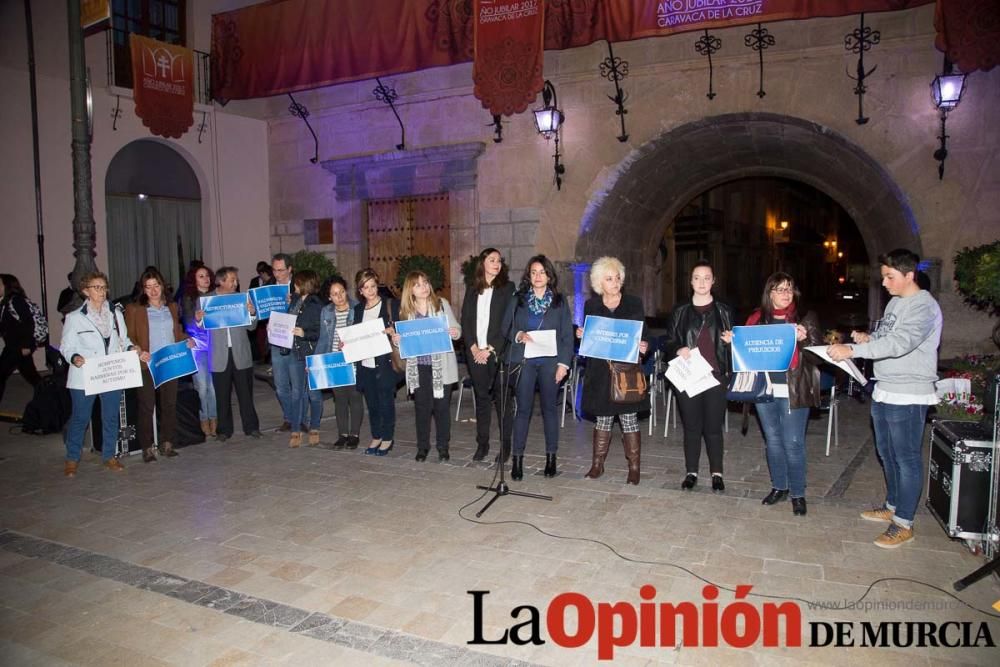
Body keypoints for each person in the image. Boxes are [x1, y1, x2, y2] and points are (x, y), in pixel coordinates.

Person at [828, 249, 942, 549]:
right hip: (886, 388)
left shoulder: (924, 307)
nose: (885, 283)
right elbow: (886, 337)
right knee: (886, 453)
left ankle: (904, 522)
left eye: (890, 277)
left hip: (909, 392)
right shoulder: (895, 303)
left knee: (906, 458)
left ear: (909, 275)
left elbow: (901, 342)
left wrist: (853, 350)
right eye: (883, 277)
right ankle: (892, 505)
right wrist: (870, 339)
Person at [727, 272, 821, 516]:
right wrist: (733, 343)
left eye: (789, 288)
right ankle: (779, 486)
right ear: (769, 293)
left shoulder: (804, 318)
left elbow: (818, 354)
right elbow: (746, 353)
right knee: (773, 441)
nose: (785, 293)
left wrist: (805, 339)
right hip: (764, 388)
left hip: (793, 389)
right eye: (779, 289)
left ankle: (798, 493)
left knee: (793, 442)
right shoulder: (757, 319)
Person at [662, 261, 736, 492]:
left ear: (714, 281)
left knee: (713, 428)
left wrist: (732, 341)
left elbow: (739, 343)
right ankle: (691, 472)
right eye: (697, 277)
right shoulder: (680, 310)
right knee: (692, 427)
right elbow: (669, 341)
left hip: (715, 377)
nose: (702, 282)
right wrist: (677, 349)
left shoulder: (724, 310)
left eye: (707, 277)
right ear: (691, 281)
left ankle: (717, 473)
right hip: (689, 376)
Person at [578, 257, 650, 485]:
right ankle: (597, 465)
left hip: (626, 371)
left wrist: (644, 346)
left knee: (629, 419)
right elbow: (589, 336)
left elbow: (643, 333)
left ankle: (634, 467)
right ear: (599, 282)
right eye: (609, 278)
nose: (615, 282)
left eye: (618, 277)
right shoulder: (591, 306)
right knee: (603, 420)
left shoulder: (634, 303)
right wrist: (582, 335)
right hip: (600, 372)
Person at [504, 255, 574, 480]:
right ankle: (517, 460)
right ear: (528, 275)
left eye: (542, 272)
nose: (537, 276)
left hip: (551, 363)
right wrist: (518, 334)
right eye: (533, 272)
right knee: (522, 410)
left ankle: (551, 458)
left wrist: (564, 364)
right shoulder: (519, 300)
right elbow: (506, 327)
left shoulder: (559, 301)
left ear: (549, 275)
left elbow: (566, 336)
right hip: (525, 361)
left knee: (549, 410)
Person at [59, 271, 135, 476]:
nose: (102, 292)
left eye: (104, 287)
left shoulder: (116, 314)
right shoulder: (74, 318)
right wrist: (74, 358)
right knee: (80, 418)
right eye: (97, 287)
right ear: (86, 291)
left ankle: (109, 455)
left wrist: (130, 349)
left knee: (110, 416)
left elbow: (124, 340)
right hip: (85, 375)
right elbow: (66, 346)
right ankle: (72, 459)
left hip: (110, 373)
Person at [392, 271, 462, 462]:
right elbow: (403, 340)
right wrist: (397, 340)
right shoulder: (406, 312)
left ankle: (443, 446)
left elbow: (457, 330)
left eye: (425, 282)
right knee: (422, 409)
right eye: (418, 284)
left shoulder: (441, 304)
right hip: (419, 367)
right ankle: (422, 447)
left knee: (442, 409)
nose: (423, 287)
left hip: (442, 366)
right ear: (410, 290)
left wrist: (455, 332)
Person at [125, 268, 191, 462]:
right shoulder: (135, 309)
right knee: (147, 405)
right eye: (148, 287)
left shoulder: (171, 306)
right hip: (147, 363)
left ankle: (167, 442)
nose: (153, 291)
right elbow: (127, 336)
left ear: (163, 286)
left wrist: (187, 340)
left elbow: (176, 332)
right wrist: (136, 349)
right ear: (143, 289)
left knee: (169, 404)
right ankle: (147, 447)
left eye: (156, 286)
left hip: (169, 362)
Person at [460, 248, 517, 462]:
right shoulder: (472, 288)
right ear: (482, 263)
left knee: (503, 401)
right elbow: (466, 319)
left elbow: (508, 322)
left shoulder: (508, 288)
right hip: (475, 354)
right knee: (482, 399)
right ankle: (482, 444)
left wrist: (490, 349)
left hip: (497, 354)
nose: (496, 263)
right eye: (492, 260)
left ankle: (505, 447)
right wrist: (474, 348)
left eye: (499, 260)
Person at [198, 267, 262, 441]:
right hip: (219, 355)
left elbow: (252, 327)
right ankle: (224, 430)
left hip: (241, 353)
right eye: (232, 280)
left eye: (236, 279)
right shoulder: (206, 300)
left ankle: (252, 427)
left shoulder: (242, 299)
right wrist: (199, 320)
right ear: (221, 281)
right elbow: (201, 329)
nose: (236, 283)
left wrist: (253, 313)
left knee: (245, 394)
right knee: (222, 395)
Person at [348, 268, 400, 456]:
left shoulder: (390, 304)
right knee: (372, 404)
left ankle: (387, 438)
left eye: (373, 286)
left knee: (386, 402)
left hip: (385, 362)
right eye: (365, 287)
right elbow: (354, 335)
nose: (370, 290)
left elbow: (399, 329)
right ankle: (376, 435)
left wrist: (392, 332)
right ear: (360, 291)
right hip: (365, 363)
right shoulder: (358, 310)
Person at [313, 276, 363, 450]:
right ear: (329, 297)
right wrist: (315, 362)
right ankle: (342, 434)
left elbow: (363, 335)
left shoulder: (357, 308)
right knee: (340, 398)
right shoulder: (326, 311)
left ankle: (354, 435)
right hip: (334, 359)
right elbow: (323, 339)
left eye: (341, 292)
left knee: (355, 397)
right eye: (334, 294)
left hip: (354, 360)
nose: (339, 297)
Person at [287, 269, 324, 448]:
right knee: (296, 393)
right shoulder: (294, 301)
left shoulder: (316, 304)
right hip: (295, 351)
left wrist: (304, 333)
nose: (294, 285)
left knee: (313, 393)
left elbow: (321, 332)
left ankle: (315, 427)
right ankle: (296, 428)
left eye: (297, 282)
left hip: (311, 352)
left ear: (305, 284)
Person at [180, 265, 217, 437]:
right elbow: (186, 322)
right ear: (194, 280)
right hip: (198, 345)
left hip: (216, 345)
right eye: (201, 276)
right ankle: (204, 418)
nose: (206, 279)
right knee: (202, 386)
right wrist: (195, 319)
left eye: (207, 275)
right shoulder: (189, 298)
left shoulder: (215, 296)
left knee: (214, 386)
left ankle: (214, 418)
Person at [0, 274, 42, 405]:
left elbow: (28, 322)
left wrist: (27, 345)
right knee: (32, 376)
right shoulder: (5, 302)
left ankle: (50, 395)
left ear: (7, 286)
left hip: (19, 347)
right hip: (13, 346)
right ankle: (49, 394)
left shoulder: (16, 301)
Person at [268, 253, 297, 431]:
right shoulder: (268, 289)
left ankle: (300, 417)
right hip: (277, 340)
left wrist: (295, 302)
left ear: (289, 269)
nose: (277, 274)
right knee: (280, 386)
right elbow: (261, 315)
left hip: (295, 341)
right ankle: (289, 417)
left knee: (298, 384)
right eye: (274, 270)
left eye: (280, 270)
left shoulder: (298, 286)